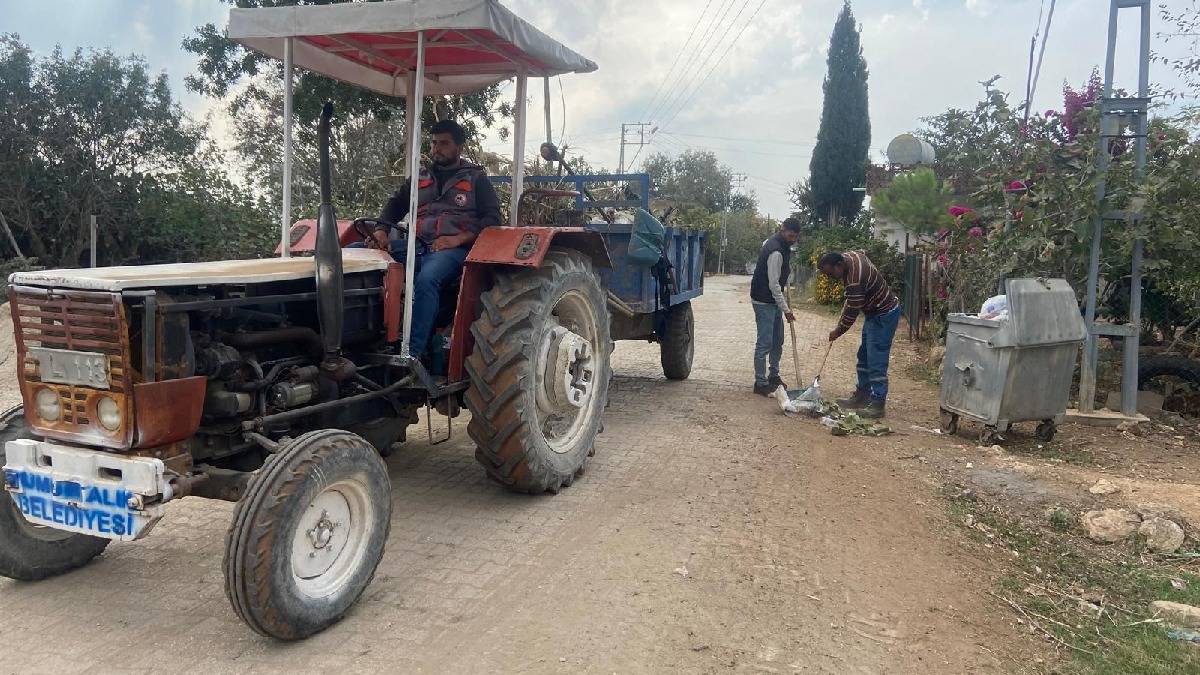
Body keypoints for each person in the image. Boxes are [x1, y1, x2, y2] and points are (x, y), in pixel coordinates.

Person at [369, 119, 501, 364]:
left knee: (427, 279)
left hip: (454, 251)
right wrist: (381, 230)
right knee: (359, 255)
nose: (436, 148)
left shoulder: (475, 178)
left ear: (459, 147)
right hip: (417, 246)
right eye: (433, 143)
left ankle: (413, 355)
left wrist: (458, 239)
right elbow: (395, 204)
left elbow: (492, 219)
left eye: (444, 143)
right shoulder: (420, 176)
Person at [817, 250, 901, 419]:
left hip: (884, 315)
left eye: (831, 273)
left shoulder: (854, 280)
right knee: (864, 356)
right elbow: (863, 252)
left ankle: (877, 403)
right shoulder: (850, 257)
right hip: (873, 313)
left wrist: (838, 331)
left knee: (876, 359)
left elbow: (851, 312)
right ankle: (862, 395)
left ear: (839, 265)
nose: (831, 278)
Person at [750, 217, 802, 396]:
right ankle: (760, 383)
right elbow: (774, 285)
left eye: (795, 236)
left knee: (777, 341)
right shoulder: (776, 252)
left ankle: (774, 376)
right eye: (790, 235)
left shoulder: (782, 246)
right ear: (782, 230)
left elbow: (780, 278)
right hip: (763, 300)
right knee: (765, 343)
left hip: (773, 301)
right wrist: (786, 310)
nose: (793, 239)